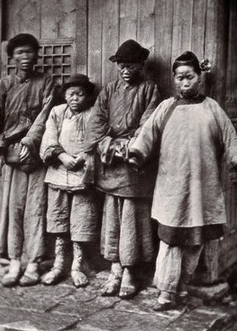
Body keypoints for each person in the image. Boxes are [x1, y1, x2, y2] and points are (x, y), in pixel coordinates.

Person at [129, 51, 237, 310]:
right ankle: (166, 292)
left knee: (195, 241)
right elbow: (147, 134)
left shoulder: (212, 107)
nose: (184, 83)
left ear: (199, 77)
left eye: (189, 77)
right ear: (174, 80)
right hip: (172, 186)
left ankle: (181, 287)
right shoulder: (166, 107)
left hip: (204, 187)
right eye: (179, 78)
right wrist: (137, 153)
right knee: (170, 240)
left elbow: (230, 138)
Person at [84, 39, 160, 299]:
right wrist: (108, 144)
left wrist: (128, 146)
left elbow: (149, 124)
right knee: (113, 217)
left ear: (141, 65)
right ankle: (115, 268)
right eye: (121, 66)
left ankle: (129, 271)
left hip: (134, 164)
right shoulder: (108, 91)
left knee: (131, 217)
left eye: (131, 65)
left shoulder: (150, 89)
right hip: (110, 163)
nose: (126, 70)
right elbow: (96, 123)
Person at [0, 33, 57, 287]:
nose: (25, 57)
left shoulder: (46, 82)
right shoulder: (2, 86)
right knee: (13, 211)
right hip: (11, 158)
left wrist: (30, 141)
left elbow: (46, 116)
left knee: (36, 211)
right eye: (20, 53)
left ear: (36, 55)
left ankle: (35, 262)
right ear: (12, 57)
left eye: (29, 52)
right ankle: (15, 260)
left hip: (37, 156)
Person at [39, 74, 99, 287]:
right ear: (64, 95)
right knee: (59, 220)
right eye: (71, 94)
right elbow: (49, 137)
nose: (75, 98)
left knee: (81, 221)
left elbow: (98, 138)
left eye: (80, 94)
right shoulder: (56, 112)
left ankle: (77, 266)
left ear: (88, 96)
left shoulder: (93, 113)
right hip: (58, 170)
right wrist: (63, 157)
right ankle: (58, 265)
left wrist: (82, 157)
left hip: (83, 174)